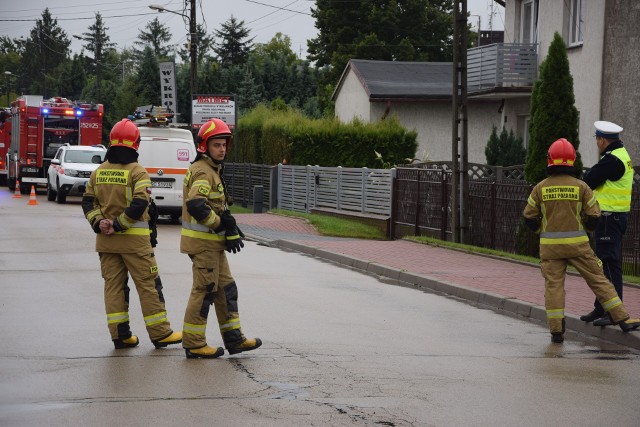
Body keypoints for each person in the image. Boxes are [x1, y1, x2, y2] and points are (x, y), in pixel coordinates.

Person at [522, 138, 640, 343]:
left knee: (554, 286)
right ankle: (621, 318)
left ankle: (557, 331)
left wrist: (543, 229)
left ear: (549, 160)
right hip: (578, 246)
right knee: (599, 280)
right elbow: (594, 216)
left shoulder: (540, 188)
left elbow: (528, 217)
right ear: (572, 160)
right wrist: (584, 228)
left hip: (550, 249)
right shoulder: (581, 187)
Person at [82, 118, 182, 349]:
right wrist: (119, 224)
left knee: (114, 288)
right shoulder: (138, 172)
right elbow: (139, 204)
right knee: (148, 285)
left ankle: (120, 335)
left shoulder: (98, 172)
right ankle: (160, 333)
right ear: (136, 143)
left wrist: (99, 223)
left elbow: (88, 203)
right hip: (135, 244)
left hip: (106, 243)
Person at [180, 118, 262, 359]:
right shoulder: (204, 172)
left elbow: (214, 206)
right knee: (204, 291)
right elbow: (196, 204)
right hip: (204, 245)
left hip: (212, 246)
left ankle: (234, 340)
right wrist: (220, 225)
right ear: (205, 146)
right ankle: (194, 343)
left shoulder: (210, 169)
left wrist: (229, 227)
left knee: (226, 289)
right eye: (217, 145)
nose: (223, 149)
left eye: (224, 144)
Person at [579, 121, 634, 327]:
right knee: (603, 264)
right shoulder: (622, 155)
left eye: (596, 139)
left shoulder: (612, 160)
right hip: (615, 218)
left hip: (610, 219)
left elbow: (589, 179)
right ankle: (601, 307)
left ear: (602, 140)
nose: (596, 143)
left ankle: (614, 313)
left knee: (609, 265)